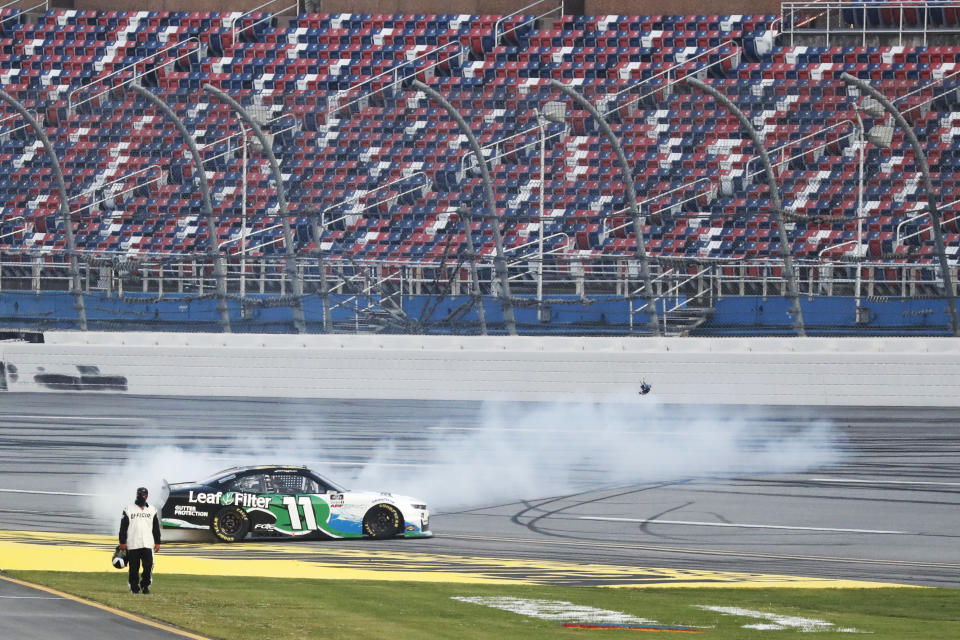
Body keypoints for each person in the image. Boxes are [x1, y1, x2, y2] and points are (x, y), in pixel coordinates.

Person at [119, 486, 161, 594]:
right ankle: (133, 587)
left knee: (148, 566)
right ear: (136, 495)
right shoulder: (128, 509)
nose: (141, 496)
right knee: (134, 567)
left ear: (146, 496)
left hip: (148, 543)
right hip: (133, 543)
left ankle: (145, 585)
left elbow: (156, 528)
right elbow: (123, 527)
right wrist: (122, 542)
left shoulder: (152, 510)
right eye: (139, 494)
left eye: (143, 495)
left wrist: (157, 542)